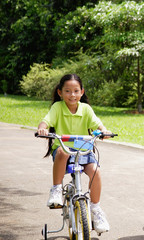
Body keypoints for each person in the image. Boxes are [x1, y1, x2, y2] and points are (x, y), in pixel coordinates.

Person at [37, 74, 112, 233]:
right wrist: (42, 128)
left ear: (82, 92)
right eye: (68, 91)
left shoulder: (86, 109)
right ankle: (56, 189)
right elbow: (46, 121)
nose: (72, 95)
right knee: (63, 152)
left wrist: (104, 131)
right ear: (60, 92)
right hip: (63, 149)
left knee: (95, 171)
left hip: (83, 149)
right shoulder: (57, 108)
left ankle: (96, 209)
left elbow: (98, 124)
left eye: (76, 91)